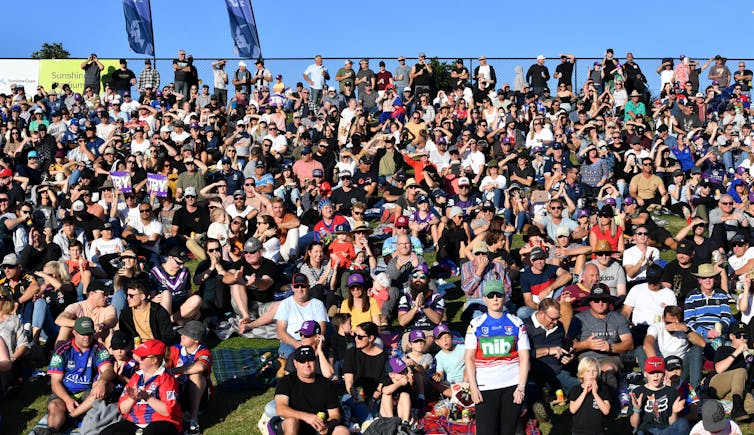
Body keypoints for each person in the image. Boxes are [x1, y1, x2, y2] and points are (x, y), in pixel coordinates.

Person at [466, 280, 530, 435]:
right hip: (485, 387)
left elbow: (525, 358)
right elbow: (469, 358)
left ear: (505, 297)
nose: (495, 298)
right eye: (491, 295)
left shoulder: (516, 323)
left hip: (512, 386)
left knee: (508, 431)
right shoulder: (476, 324)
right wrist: (473, 387)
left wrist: (521, 387)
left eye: (498, 295)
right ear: (485, 299)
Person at [46, 317, 116, 432]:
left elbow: (108, 370)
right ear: (74, 332)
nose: (87, 337)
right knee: (54, 406)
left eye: (89, 333)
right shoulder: (62, 351)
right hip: (65, 391)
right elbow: (55, 382)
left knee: (108, 386)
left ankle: (70, 417)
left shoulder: (99, 349)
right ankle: (52, 431)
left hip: (88, 393)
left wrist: (102, 381)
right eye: (83, 334)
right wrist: (68, 400)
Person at [103, 339, 183, 435]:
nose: (138, 359)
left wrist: (147, 397)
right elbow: (122, 409)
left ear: (154, 360)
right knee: (106, 432)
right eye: (138, 356)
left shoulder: (166, 378)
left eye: (142, 357)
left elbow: (168, 411)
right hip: (135, 422)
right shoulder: (136, 376)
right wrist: (133, 398)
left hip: (162, 422)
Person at [568, 284, 633, 389]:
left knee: (608, 368)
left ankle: (611, 398)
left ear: (609, 301)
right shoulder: (579, 319)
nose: (600, 303)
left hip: (610, 358)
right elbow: (570, 345)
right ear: (590, 302)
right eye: (596, 300)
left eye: (604, 300)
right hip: (586, 359)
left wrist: (611, 348)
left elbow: (629, 344)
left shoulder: (618, 318)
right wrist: (586, 345)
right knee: (591, 371)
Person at [274, 345, 348, 435]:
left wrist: (327, 425)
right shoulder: (286, 381)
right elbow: (281, 409)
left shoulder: (327, 384)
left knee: (342, 431)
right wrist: (307, 417)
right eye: (302, 361)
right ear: (295, 363)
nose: (307, 364)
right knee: (291, 422)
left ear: (315, 361)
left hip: (318, 428)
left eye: (310, 360)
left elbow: (335, 415)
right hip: (295, 426)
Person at [524, 298, 579, 397]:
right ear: (541, 314)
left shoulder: (559, 327)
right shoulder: (525, 326)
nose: (556, 322)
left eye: (558, 318)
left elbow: (564, 347)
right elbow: (523, 355)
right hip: (532, 374)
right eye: (552, 319)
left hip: (556, 373)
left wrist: (568, 357)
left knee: (579, 388)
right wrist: (548, 351)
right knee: (531, 392)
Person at [167, 321, 213, 435]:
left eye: (186, 335)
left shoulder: (204, 351)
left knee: (196, 375)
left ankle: (194, 418)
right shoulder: (175, 349)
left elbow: (200, 366)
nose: (181, 336)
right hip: (177, 392)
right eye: (182, 333)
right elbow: (164, 368)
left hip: (199, 395)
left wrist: (175, 370)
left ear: (196, 340)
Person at [643, 305, 706, 387]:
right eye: (669, 323)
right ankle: (650, 384)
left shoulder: (684, 328)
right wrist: (658, 369)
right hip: (662, 367)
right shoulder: (656, 327)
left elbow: (702, 343)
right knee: (640, 350)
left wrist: (686, 330)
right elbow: (647, 344)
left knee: (696, 349)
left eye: (676, 323)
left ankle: (695, 389)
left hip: (680, 367)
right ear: (663, 319)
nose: (673, 326)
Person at [629, 356, 688, 435]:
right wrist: (636, 409)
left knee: (682, 423)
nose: (656, 375)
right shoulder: (638, 392)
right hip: (645, 430)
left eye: (659, 372)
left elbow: (672, 423)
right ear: (645, 374)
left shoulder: (671, 391)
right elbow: (634, 424)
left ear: (664, 373)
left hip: (665, 430)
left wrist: (674, 412)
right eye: (652, 372)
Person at [342, 321, 387, 424]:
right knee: (361, 407)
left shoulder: (383, 356)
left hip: (374, 397)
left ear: (371, 338)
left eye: (360, 337)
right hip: (354, 394)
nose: (356, 339)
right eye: (355, 335)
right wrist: (360, 399)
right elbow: (349, 383)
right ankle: (370, 425)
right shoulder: (351, 353)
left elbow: (381, 383)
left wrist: (372, 399)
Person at [709, 322, 754, 422]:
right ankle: (737, 409)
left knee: (749, 399)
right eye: (738, 336)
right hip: (717, 385)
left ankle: (744, 418)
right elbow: (719, 369)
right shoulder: (723, 349)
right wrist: (737, 351)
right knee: (741, 371)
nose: (742, 339)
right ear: (731, 336)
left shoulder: (748, 356)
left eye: (745, 336)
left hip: (734, 391)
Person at [118, 279, 177, 346]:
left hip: (156, 347)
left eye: (131, 296)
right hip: (136, 348)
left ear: (142, 296)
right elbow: (125, 336)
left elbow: (167, 337)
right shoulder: (125, 315)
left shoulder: (159, 312)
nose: (127, 298)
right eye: (127, 295)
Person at [518, 246, 572, 319]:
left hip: (553, 300)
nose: (539, 262)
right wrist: (542, 308)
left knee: (563, 286)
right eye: (535, 259)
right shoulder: (525, 275)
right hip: (538, 306)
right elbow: (528, 301)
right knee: (522, 312)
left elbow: (567, 275)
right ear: (531, 261)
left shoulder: (550, 268)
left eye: (541, 259)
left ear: (545, 259)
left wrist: (548, 289)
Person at [568, 356, 612, 435]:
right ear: (581, 374)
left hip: (598, 431)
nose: (591, 374)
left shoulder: (603, 389)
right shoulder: (575, 389)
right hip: (578, 432)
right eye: (588, 371)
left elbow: (606, 411)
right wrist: (584, 392)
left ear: (598, 373)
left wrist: (595, 393)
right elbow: (572, 409)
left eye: (594, 371)